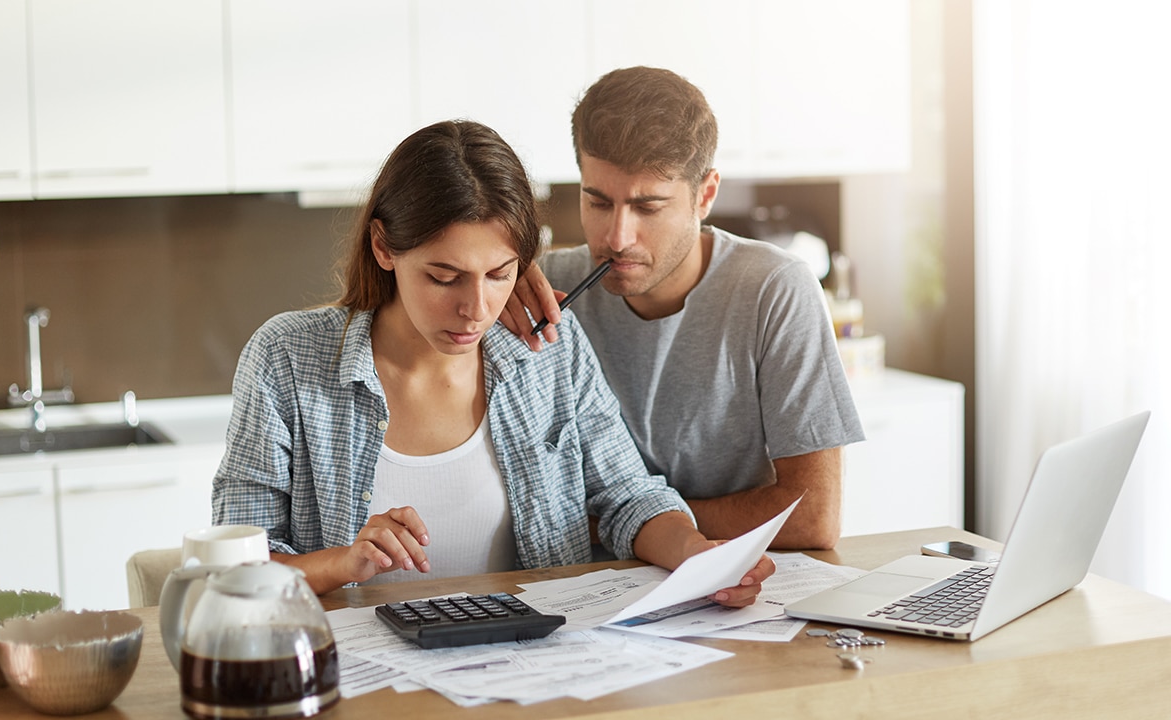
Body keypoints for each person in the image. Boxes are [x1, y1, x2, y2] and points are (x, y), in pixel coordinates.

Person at [212, 119, 774, 602]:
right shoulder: (286, 358)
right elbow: (235, 568)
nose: (475, 310)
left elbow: (629, 497)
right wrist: (342, 562)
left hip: (531, 671)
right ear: (384, 248)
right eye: (443, 277)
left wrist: (697, 554)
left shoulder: (548, 349)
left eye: (500, 275)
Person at [500, 67, 864, 550]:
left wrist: (624, 523)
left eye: (648, 207)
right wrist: (490, 285)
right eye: (598, 202)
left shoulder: (774, 290)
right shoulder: (545, 290)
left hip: (721, 581)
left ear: (705, 195)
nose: (616, 238)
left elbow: (813, 517)